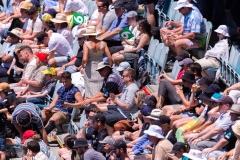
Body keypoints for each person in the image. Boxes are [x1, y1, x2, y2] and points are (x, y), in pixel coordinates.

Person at [81, 26, 112, 97]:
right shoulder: (103, 43)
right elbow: (109, 57)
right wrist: (109, 66)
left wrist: (83, 65)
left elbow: (84, 59)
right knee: (100, 87)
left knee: (89, 91)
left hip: (90, 68)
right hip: (101, 67)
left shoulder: (86, 44)